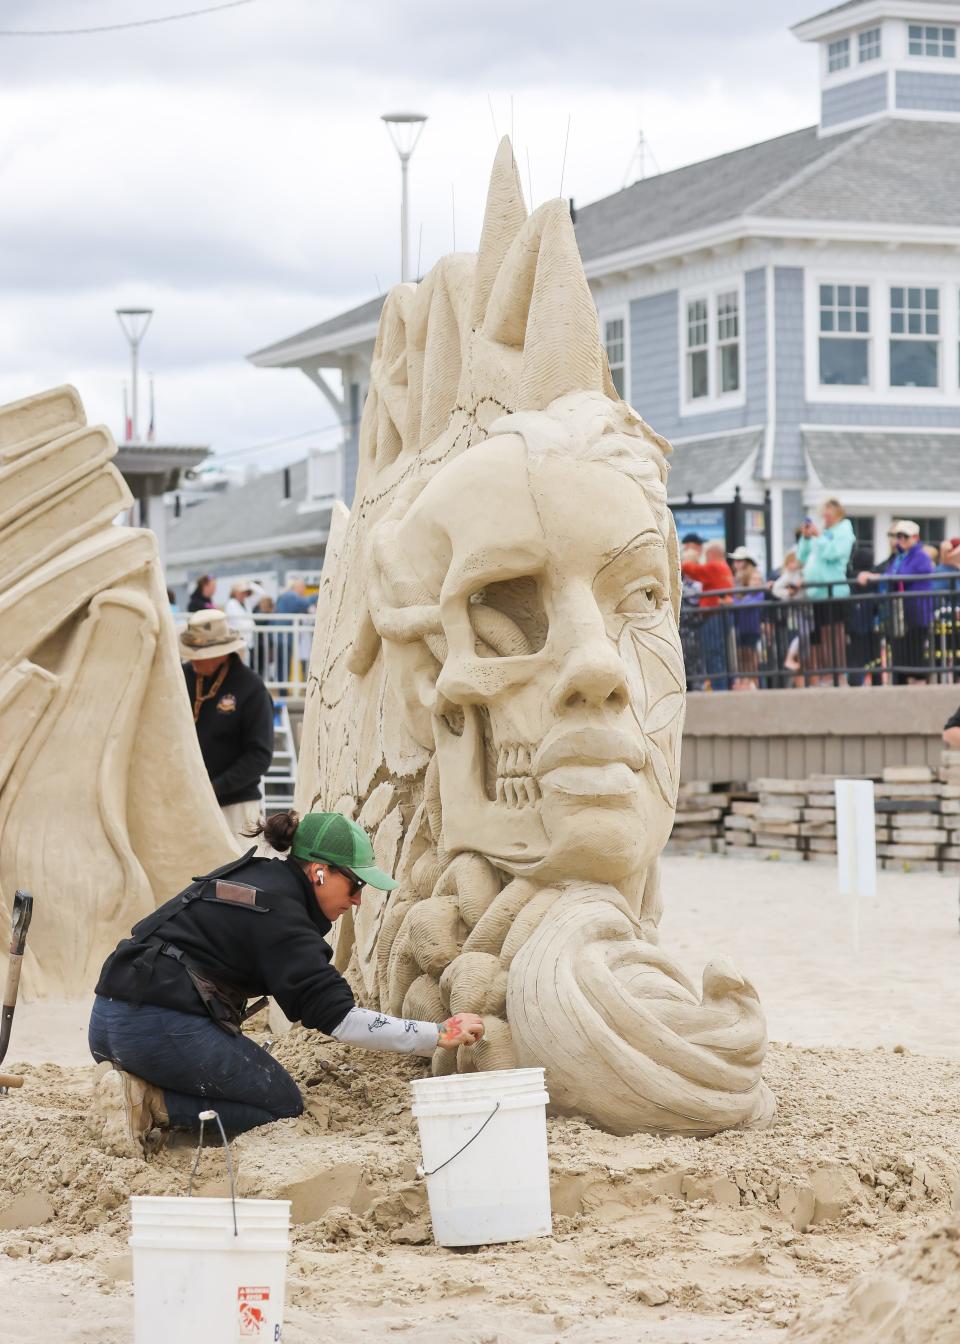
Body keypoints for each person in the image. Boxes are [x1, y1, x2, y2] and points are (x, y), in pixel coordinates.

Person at [88, 809, 485, 1155]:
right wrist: (436, 1034)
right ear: (318, 871)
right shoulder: (283, 916)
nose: (358, 900)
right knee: (280, 1103)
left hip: (108, 1019)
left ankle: (134, 1077)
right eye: (356, 884)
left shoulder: (255, 877)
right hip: (156, 1025)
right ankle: (151, 1101)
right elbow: (339, 1019)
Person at [180, 609, 275, 840]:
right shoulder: (182, 678)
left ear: (220, 654)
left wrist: (215, 787)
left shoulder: (251, 688)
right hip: (187, 803)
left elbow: (259, 756)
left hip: (236, 808)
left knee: (234, 873)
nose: (193, 659)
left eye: (199, 653)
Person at [858, 521, 933, 685]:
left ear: (915, 537)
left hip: (916, 613)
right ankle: (903, 683)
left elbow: (901, 576)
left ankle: (917, 684)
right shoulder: (900, 557)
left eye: (905, 536)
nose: (901, 540)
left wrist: (873, 577)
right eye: (898, 536)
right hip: (900, 613)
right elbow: (891, 574)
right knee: (900, 653)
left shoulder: (920, 556)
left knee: (914, 653)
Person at [796, 498, 855, 686]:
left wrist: (819, 535)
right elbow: (802, 557)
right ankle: (827, 674)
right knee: (822, 636)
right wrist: (806, 538)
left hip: (834, 590)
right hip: (817, 592)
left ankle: (838, 675)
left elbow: (833, 553)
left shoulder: (844, 530)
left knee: (834, 634)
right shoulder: (825, 533)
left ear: (837, 513)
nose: (824, 518)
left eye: (827, 514)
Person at [681, 535, 735, 692]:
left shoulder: (715, 566)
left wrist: (685, 561)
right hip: (718, 615)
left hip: (712, 616)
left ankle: (719, 687)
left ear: (712, 553)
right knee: (719, 653)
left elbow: (694, 570)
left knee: (713, 653)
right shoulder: (724, 567)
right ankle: (722, 686)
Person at [729, 548, 765, 690]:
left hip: (752, 626)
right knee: (742, 655)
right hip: (740, 626)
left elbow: (747, 601)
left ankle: (753, 683)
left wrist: (738, 602)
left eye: (740, 560)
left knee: (751, 655)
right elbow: (735, 600)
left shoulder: (753, 577)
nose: (736, 563)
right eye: (735, 560)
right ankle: (745, 682)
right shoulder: (737, 579)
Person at [275, 578, 316, 687]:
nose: (304, 590)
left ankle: (282, 690)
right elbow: (305, 603)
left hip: (279, 635)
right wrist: (319, 594)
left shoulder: (284, 596)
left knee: (282, 665)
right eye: (303, 587)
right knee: (284, 664)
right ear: (297, 587)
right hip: (284, 636)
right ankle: (283, 691)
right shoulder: (291, 596)